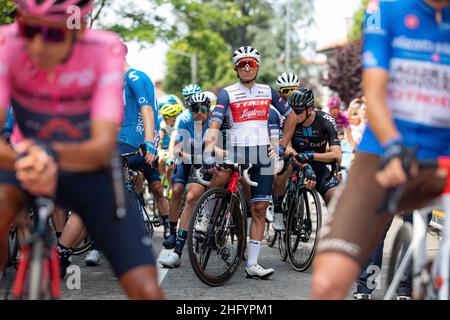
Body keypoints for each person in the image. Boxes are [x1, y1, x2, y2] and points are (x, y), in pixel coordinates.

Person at [0, 0, 163, 299]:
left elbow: (103, 140)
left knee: (145, 287)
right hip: (23, 157)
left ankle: (64, 252)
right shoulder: (7, 44)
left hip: (84, 160)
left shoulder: (102, 53)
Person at [312, 0, 450, 300]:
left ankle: (406, 288)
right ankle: (366, 282)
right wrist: (393, 146)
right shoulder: (385, 10)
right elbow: (373, 93)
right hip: (384, 148)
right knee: (328, 283)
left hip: (441, 156)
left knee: (421, 226)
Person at [202, 46, 297, 279]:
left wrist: (282, 147)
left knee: (260, 209)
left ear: (258, 66)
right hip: (238, 153)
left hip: (263, 156)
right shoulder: (227, 93)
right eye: (242, 64)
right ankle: (207, 216)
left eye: (251, 64)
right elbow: (214, 125)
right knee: (223, 180)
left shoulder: (267, 91)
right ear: (236, 68)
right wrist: (208, 150)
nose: (247, 68)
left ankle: (252, 264)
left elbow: (292, 116)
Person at [272, 89, 341, 232]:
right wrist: (304, 163)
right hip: (294, 160)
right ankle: (278, 210)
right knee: (279, 170)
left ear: (310, 109)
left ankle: (334, 235)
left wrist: (311, 156)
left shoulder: (325, 121)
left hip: (316, 163)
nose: (293, 115)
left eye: (297, 111)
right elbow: (286, 147)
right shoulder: (287, 120)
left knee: (336, 197)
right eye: (290, 110)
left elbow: (336, 154)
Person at [117, 56, 171, 240]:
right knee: (132, 176)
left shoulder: (134, 77)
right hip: (133, 141)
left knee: (156, 187)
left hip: (143, 142)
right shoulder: (121, 85)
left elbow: (147, 111)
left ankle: (167, 227)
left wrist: (150, 142)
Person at [158, 93, 213, 267]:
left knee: (193, 196)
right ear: (190, 110)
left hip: (206, 159)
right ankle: (174, 233)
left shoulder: (214, 120)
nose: (199, 113)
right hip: (187, 157)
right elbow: (177, 148)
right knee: (177, 190)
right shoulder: (184, 119)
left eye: (203, 109)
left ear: (208, 110)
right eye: (194, 109)